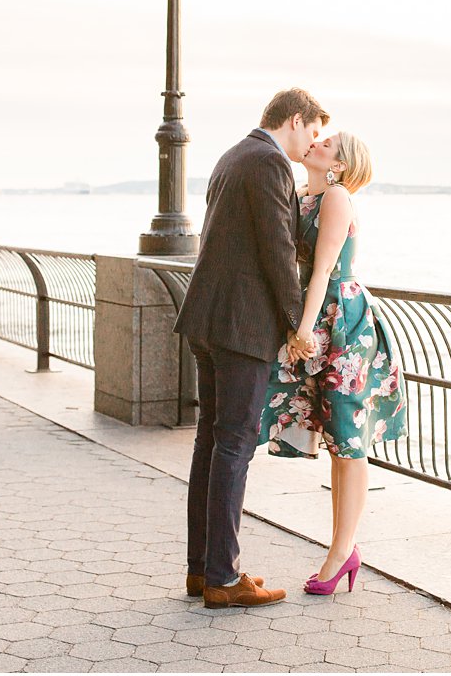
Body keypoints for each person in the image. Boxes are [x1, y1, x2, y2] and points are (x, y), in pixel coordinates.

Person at [175, 88, 329, 609]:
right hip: (240, 327)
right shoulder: (268, 162)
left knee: (211, 445)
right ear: (294, 118)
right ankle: (222, 577)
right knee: (235, 446)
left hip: (207, 319)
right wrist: (297, 325)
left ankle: (202, 570)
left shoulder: (232, 155)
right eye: (311, 131)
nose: (311, 142)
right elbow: (276, 249)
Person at [258, 131, 406, 595]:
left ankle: (342, 551)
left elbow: (322, 270)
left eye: (327, 143)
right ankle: (343, 549)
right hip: (316, 315)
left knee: (347, 434)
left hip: (342, 321)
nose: (316, 142)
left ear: (339, 165)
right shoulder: (305, 194)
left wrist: (302, 331)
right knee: (336, 434)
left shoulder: (337, 196)